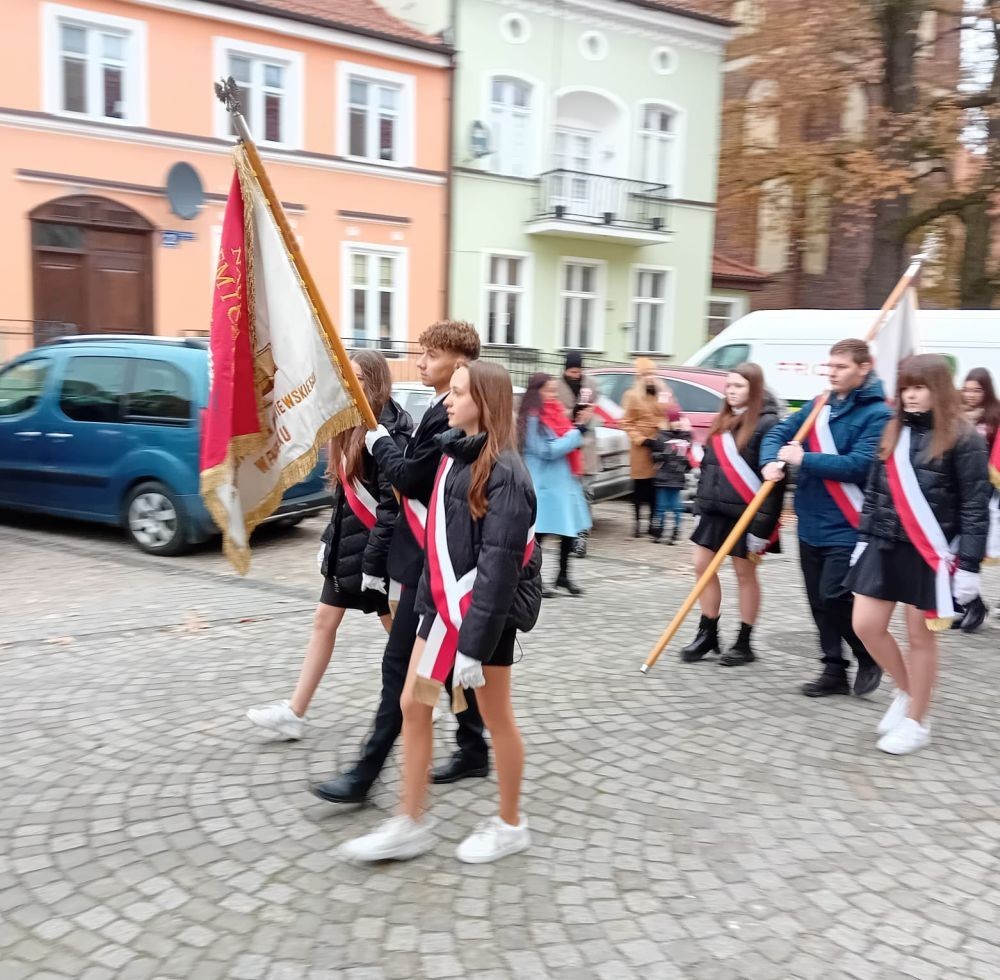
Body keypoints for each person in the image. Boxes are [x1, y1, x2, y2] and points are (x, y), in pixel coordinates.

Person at [340, 361, 543, 863]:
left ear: (485, 403)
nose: (447, 401)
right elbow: (440, 545)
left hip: (485, 623)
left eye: (458, 392)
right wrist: (430, 612)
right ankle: (409, 821)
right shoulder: (454, 455)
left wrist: (472, 647)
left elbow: (496, 568)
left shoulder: (508, 475)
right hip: (442, 618)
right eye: (449, 391)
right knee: (415, 703)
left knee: (498, 721)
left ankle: (511, 823)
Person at [310, 321, 489, 804]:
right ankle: (473, 746)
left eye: (431, 355)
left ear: (459, 362)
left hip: (437, 568)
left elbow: (410, 479)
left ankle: (366, 776)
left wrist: (377, 440)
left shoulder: (452, 414)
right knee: (439, 668)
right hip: (423, 560)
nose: (421, 362)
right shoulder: (433, 406)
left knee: (400, 672)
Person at [246, 351, 411, 739]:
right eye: (344, 375)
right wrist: (328, 540)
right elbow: (344, 499)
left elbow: (392, 506)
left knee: (400, 633)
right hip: (349, 550)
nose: (347, 383)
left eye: (355, 376)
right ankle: (295, 712)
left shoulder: (389, 431)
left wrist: (373, 564)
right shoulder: (346, 421)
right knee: (325, 622)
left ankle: (435, 696)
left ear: (374, 381)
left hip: (377, 554)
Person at [846, 354, 989, 755]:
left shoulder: (965, 438)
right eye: (905, 387)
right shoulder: (893, 430)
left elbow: (975, 508)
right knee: (865, 624)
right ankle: (908, 692)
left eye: (919, 387)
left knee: (919, 637)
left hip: (932, 551)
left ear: (938, 390)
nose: (910, 395)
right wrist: (862, 539)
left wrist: (970, 568)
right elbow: (875, 492)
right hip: (885, 542)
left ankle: (917, 721)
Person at [761, 339, 892, 698]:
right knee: (818, 601)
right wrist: (770, 460)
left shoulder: (879, 414)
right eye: (830, 367)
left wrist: (804, 460)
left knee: (835, 595)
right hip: (810, 519)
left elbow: (860, 465)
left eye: (841, 367)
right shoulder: (819, 404)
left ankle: (868, 654)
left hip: (848, 524)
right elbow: (778, 433)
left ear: (864, 368)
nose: (832, 373)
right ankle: (833, 667)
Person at [679, 364, 783, 666]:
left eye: (739, 386)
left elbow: (774, 485)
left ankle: (744, 641)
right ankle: (708, 631)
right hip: (714, 510)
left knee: (744, 574)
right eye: (730, 386)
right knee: (702, 567)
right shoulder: (722, 420)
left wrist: (761, 529)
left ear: (755, 389)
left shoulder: (768, 424)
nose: (731, 391)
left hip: (747, 514)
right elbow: (709, 469)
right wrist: (699, 508)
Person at [519, 372, 592, 596]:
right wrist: (576, 433)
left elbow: (565, 437)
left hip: (562, 483)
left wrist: (578, 428)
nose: (553, 395)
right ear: (536, 392)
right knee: (538, 535)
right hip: (544, 485)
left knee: (568, 532)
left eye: (554, 390)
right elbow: (546, 450)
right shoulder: (532, 417)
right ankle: (533, 580)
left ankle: (563, 575)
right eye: (548, 391)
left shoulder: (556, 412)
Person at [955, 367, 999, 630]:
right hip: (956, 490)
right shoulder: (955, 416)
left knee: (976, 549)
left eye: (977, 390)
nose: (971, 395)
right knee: (957, 548)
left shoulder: (994, 417)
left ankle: (973, 603)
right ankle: (970, 601)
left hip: (986, 492)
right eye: (967, 389)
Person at [622, 358, 674, 537]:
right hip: (641, 448)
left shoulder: (663, 392)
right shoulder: (632, 395)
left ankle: (654, 523)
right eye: (646, 375)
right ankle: (637, 523)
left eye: (653, 374)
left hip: (659, 444)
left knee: (655, 486)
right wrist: (641, 439)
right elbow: (627, 422)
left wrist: (664, 431)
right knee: (639, 487)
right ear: (639, 377)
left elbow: (670, 413)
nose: (651, 378)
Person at [558, 351, 598, 556]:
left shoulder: (590, 384)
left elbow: (593, 410)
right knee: (570, 495)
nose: (576, 374)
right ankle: (570, 536)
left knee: (586, 494)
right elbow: (556, 413)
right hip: (566, 447)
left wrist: (587, 415)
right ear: (566, 369)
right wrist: (572, 414)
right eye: (572, 371)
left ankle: (582, 538)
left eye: (579, 371)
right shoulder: (557, 386)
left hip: (586, 446)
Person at [650, 407, 692, 545]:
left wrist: (684, 460)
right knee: (661, 506)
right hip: (662, 477)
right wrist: (665, 453)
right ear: (669, 422)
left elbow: (690, 459)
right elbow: (654, 455)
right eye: (674, 420)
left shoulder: (685, 438)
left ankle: (676, 530)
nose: (677, 423)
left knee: (676, 506)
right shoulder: (661, 436)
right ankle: (659, 531)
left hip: (676, 477)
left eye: (678, 420)